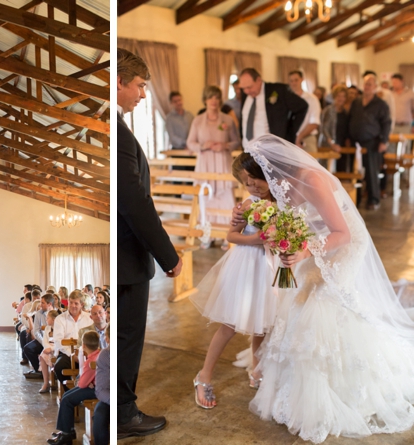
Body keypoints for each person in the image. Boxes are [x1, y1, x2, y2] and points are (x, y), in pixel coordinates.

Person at [236, 134, 414, 443]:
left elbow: (342, 233)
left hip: (344, 245)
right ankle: (294, 379)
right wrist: (258, 222)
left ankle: (340, 383)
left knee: (322, 302)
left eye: (255, 180)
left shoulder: (311, 179)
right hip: (314, 242)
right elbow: (285, 217)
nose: (253, 188)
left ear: (271, 171)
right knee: (299, 296)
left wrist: (303, 251)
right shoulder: (280, 186)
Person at [117, 48, 182, 439]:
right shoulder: (116, 133)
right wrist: (168, 255)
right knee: (128, 338)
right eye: (139, 86)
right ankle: (124, 414)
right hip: (127, 256)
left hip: (125, 254)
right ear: (119, 82)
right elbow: (135, 201)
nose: (143, 95)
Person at [190, 153, 277, 408]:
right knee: (230, 324)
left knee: (263, 322)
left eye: (255, 180)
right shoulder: (248, 204)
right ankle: (203, 375)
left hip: (269, 267)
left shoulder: (282, 201)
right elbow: (231, 236)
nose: (252, 187)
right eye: (246, 183)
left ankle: (257, 370)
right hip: (247, 265)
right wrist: (258, 240)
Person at [186, 85, 240, 238]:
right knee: (205, 197)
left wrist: (225, 145)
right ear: (205, 100)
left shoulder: (228, 119)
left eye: (216, 97)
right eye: (210, 97)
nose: (214, 101)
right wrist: (203, 145)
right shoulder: (197, 120)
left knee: (225, 198)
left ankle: (226, 236)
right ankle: (206, 234)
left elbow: (236, 141)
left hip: (223, 161)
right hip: (205, 163)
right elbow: (190, 143)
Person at [47, 331, 101, 445]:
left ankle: (67, 435)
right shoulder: (97, 354)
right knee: (67, 395)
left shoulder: (91, 360)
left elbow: (81, 384)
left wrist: (86, 382)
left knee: (67, 400)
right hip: (95, 386)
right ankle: (68, 430)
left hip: (97, 390)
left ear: (84, 345)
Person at [348, 74, 391, 210]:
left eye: (370, 84)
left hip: (372, 142)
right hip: (356, 142)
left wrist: (383, 141)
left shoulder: (381, 104)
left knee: (372, 171)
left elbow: (386, 123)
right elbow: (350, 119)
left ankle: (373, 199)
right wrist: (348, 137)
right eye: (365, 84)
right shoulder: (356, 102)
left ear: (375, 87)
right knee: (355, 171)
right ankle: (357, 198)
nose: (367, 87)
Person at [238, 67, 308, 147]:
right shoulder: (246, 95)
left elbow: (302, 106)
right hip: (248, 148)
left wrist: (289, 133)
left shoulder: (278, 90)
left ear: (258, 80)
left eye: (249, 87)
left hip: (271, 148)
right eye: (243, 88)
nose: (246, 91)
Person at [320, 84, 351, 172]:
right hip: (329, 145)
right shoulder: (328, 110)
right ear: (334, 96)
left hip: (342, 146)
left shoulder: (345, 112)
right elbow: (324, 129)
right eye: (339, 96)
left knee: (342, 171)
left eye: (343, 96)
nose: (341, 98)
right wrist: (332, 143)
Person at [288, 70, 321, 153]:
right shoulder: (287, 99)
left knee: (309, 165)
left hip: (307, 137)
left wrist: (300, 136)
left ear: (302, 79)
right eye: (291, 81)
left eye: (296, 80)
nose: (294, 83)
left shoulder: (312, 99)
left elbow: (314, 122)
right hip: (290, 138)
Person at [93, 325, 110, 445]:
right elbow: (100, 390)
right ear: (107, 339)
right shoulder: (105, 355)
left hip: (125, 395)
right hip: (110, 396)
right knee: (99, 415)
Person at [391, 73, 414, 153]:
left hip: (406, 125)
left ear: (402, 81)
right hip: (393, 125)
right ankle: (392, 164)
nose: (394, 84)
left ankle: (405, 164)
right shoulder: (391, 94)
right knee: (391, 148)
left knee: (406, 147)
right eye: (393, 82)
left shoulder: (410, 93)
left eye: (396, 82)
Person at [38, 309, 59, 394]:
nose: (46, 320)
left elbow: (59, 342)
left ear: (53, 320)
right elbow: (44, 341)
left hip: (56, 349)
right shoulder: (47, 328)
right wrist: (47, 348)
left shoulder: (59, 328)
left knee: (46, 354)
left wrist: (51, 349)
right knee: (42, 355)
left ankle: (51, 381)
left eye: (48, 318)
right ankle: (46, 382)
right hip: (48, 348)